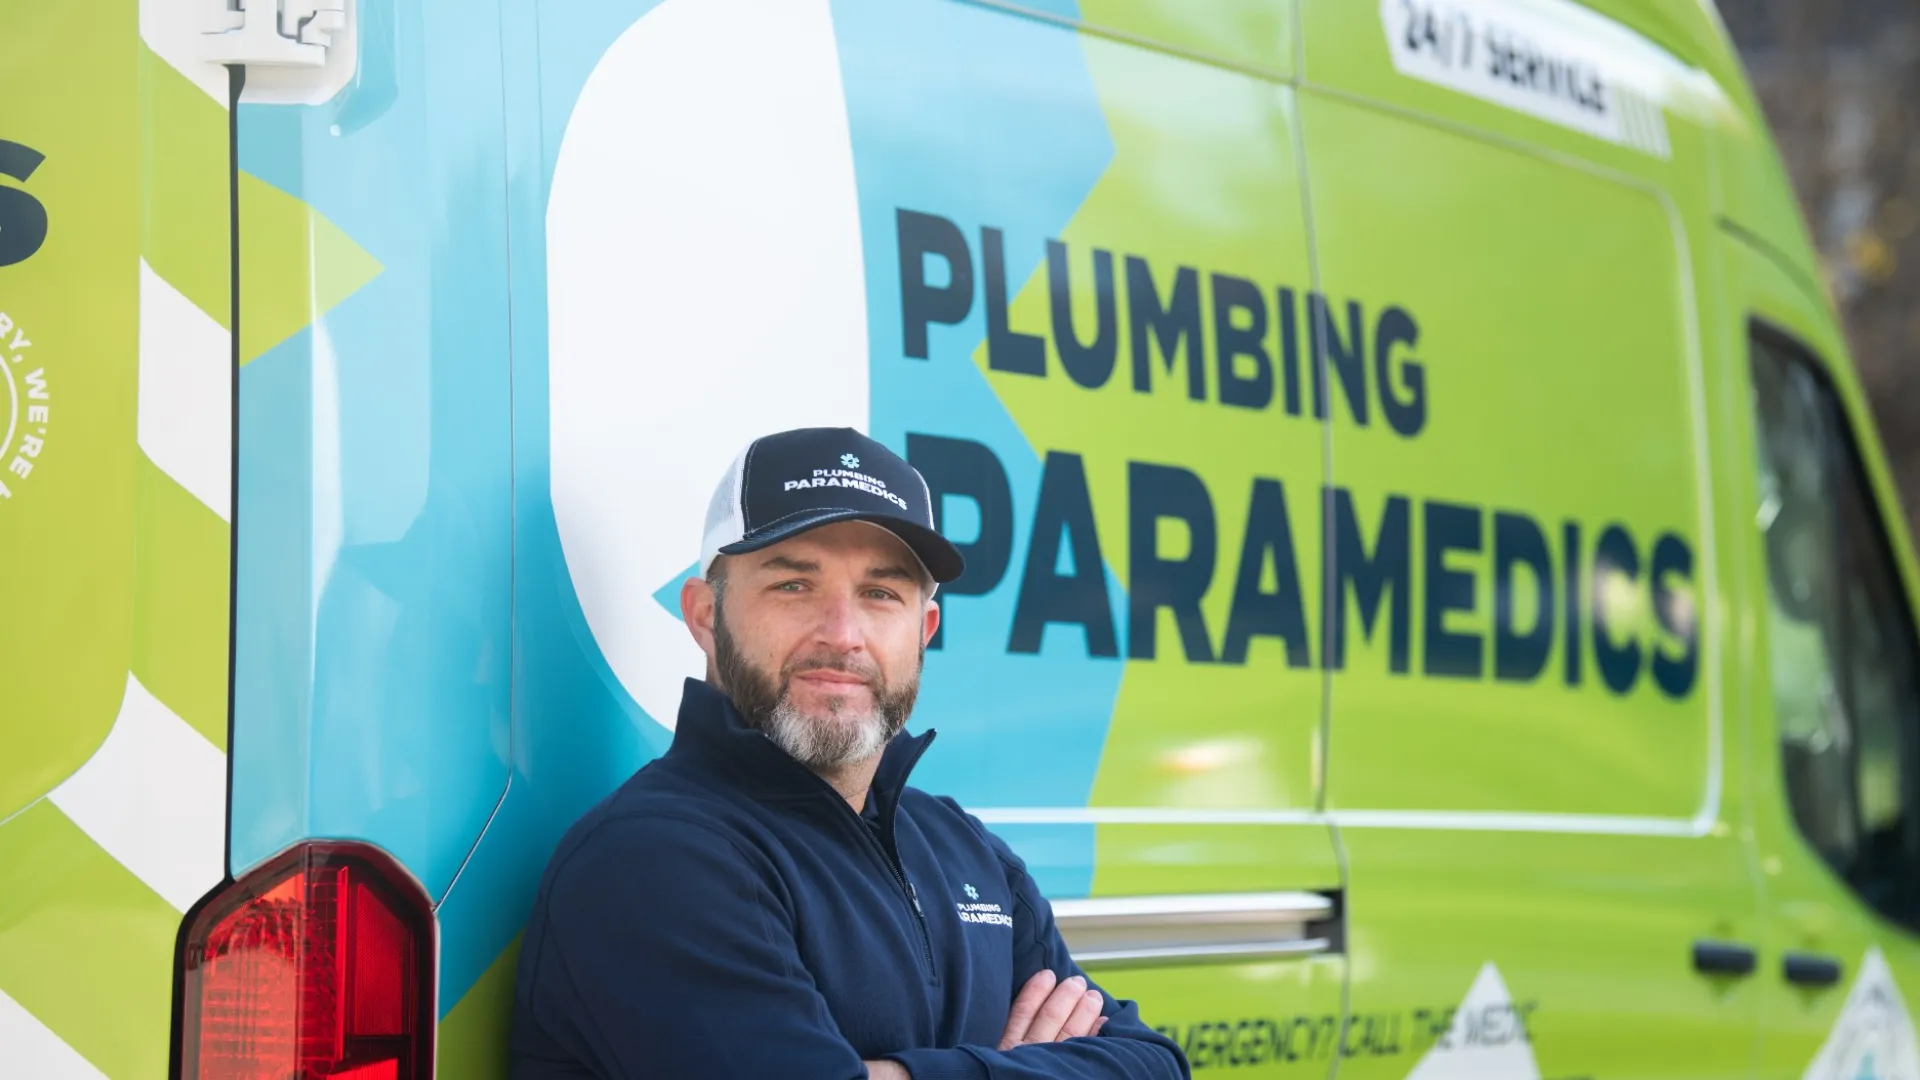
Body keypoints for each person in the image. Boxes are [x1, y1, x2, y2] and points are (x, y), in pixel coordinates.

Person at [509, 426, 1190, 1079]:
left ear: (922, 631)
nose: (842, 634)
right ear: (705, 615)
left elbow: (1158, 1064)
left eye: (880, 594)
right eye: (793, 584)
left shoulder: (964, 850)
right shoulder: (654, 858)